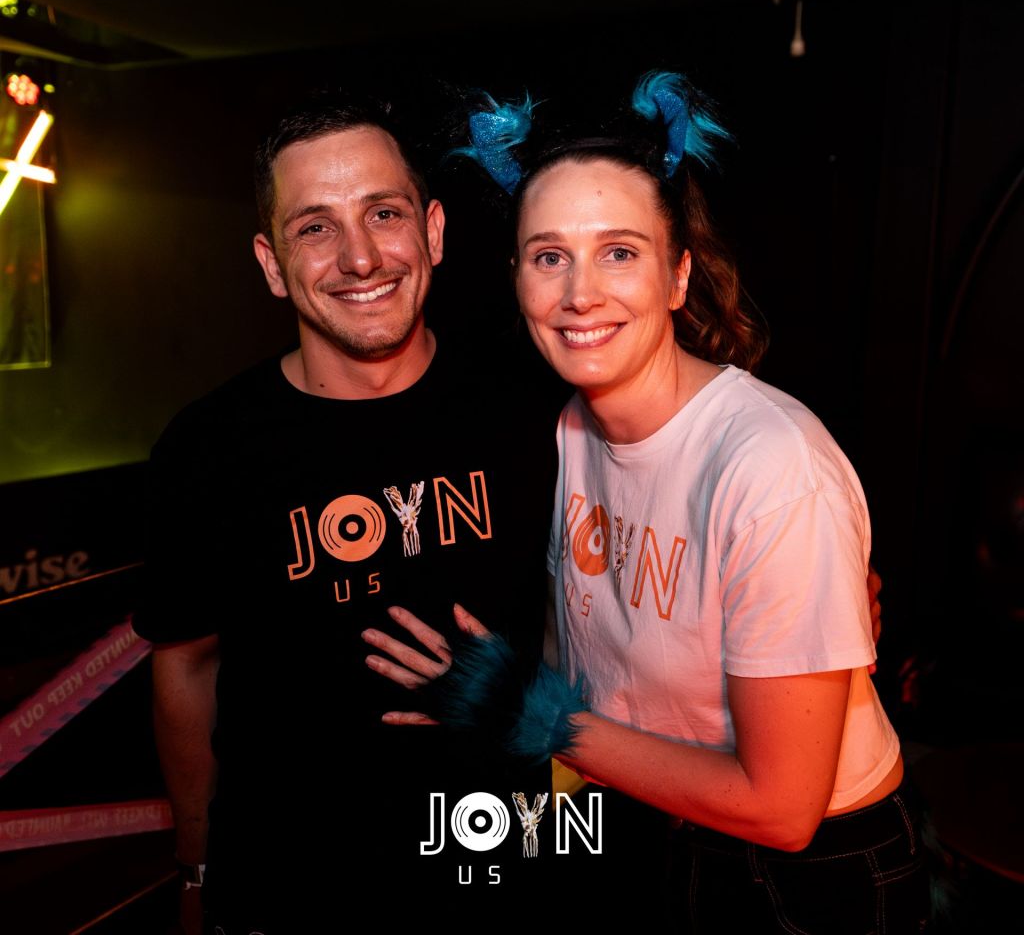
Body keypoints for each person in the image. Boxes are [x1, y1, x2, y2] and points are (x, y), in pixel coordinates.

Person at [366, 73, 929, 933]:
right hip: (654, 828)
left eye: (619, 252)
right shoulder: (566, 431)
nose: (579, 293)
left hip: (813, 874)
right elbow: (596, 658)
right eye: (549, 256)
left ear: (677, 276)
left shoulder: (770, 465)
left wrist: (533, 717)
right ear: (517, 278)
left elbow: (784, 808)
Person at [132, 93, 560, 934]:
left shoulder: (536, 413)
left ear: (433, 231)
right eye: (315, 227)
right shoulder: (208, 445)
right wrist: (197, 867)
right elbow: (185, 667)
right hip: (287, 893)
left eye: (384, 214)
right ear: (271, 264)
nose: (360, 258)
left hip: (502, 877)